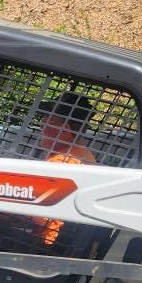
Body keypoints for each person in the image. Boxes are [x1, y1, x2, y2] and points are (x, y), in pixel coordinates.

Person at [33, 92, 96, 246]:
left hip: (44, 241)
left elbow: (40, 215)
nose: (42, 127)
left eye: (48, 123)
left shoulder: (62, 162)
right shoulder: (83, 155)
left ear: (65, 129)